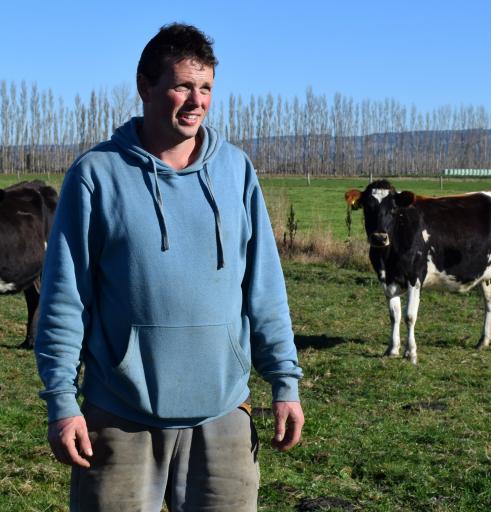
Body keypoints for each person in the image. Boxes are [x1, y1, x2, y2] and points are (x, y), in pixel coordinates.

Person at [35, 23, 304, 511]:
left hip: (223, 416)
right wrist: (61, 399)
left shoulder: (236, 171)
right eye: (182, 85)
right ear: (145, 86)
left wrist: (285, 382)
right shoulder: (96, 175)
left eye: (206, 89)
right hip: (120, 414)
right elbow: (64, 297)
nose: (196, 101)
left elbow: (264, 289)